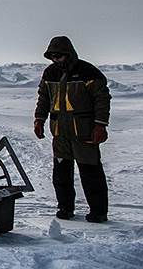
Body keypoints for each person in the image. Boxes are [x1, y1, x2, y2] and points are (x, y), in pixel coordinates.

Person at [34, 35, 111, 223]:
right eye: (52, 57)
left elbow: (102, 98)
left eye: (58, 56)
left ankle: (98, 212)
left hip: (84, 132)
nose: (55, 60)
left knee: (90, 173)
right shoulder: (50, 73)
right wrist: (39, 119)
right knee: (61, 174)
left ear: (68, 54)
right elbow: (44, 97)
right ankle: (65, 207)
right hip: (60, 133)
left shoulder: (87, 72)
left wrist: (100, 125)